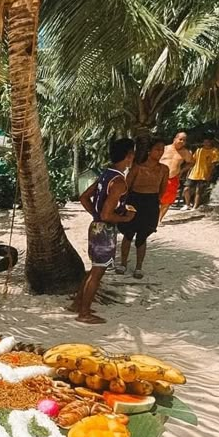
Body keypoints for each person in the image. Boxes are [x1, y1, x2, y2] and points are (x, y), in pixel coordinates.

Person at [70, 137, 136, 324]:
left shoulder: (106, 174)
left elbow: (84, 197)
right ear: (129, 156)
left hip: (96, 227)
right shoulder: (118, 182)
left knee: (94, 270)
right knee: (98, 272)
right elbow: (107, 215)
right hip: (105, 231)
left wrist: (95, 214)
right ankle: (84, 313)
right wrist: (125, 218)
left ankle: (77, 304)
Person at [116, 137, 169, 278]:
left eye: (162, 150)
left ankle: (139, 267)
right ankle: (123, 264)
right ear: (149, 151)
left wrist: (154, 202)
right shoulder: (138, 168)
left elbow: (163, 189)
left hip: (151, 202)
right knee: (128, 234)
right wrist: (123, 204)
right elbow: (126, 186)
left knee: (142, 236)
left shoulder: (164, 169)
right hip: (134, 200)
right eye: (158, 149)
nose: (160, 152)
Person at [159, 131, 193, 221]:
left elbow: (191, 163)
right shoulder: (164, 148)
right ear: (175, 139)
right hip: (158, 177)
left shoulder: (185, 153)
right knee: (153, 199)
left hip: (173, 178)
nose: (182, 141)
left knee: (167, 201)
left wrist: (181, 171)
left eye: (184, 140)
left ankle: (159, 219)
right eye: (180, 139)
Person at [183, 134, 219, 209]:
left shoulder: (214, 151)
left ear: (211, 142)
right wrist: (187, 170)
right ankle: (187, 205)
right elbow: (193, 162)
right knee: (186, 189)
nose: (206, 143)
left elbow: (214, 164)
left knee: (198, 191)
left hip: (204, 174)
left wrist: (210, 174)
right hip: (193, 173)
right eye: (205, 142)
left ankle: (194, 207)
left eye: (208, 142)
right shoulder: (199, 150)